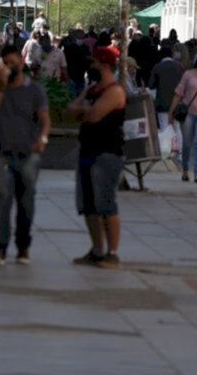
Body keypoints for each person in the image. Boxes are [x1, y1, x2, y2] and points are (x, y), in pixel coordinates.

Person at [0, 44, 51, 266]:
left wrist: (42, 139)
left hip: (28, 153)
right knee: (1, 201)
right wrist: (1, 87)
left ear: (22, 64)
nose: (10, 68)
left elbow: (45, 119)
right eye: (6, 64)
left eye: (14, 63)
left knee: (26, 202)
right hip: (1, 153)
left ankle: (23, 247)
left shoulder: (35, 89)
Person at [68, 46, 128, 268]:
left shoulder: (114, 91)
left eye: (93, 62)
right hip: (87, 151)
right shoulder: (93, 89)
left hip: (107, 154)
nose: (90, 66)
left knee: (106, 203)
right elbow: (70, 109)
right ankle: (96, 250)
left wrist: (82, 110)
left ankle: (112, 253)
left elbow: (93, 116)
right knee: (88, 205)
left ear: (103, 64)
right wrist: (84, 109)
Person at [170, 51, 197, 182]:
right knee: (187, 144)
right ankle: (185, 169)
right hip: (188, 113)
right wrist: (171, 113)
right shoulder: (188, 74)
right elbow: (178, 94)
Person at [149, 45, 184, 130]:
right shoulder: (179, 66)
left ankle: (167, 143)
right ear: (171, 55)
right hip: (176, 102)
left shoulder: (157, 67)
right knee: (176, 128)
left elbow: (151, 85)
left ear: (160, 55)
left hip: (162, 102)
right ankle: (178, 143)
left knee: (164, 127)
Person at [63, 29, 92, 98]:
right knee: (72, 97)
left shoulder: (85, 48)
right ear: (75, 37)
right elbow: (64, 62)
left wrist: (89, 74)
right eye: (79, 38)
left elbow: (88, 61)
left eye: (82, 38)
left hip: (81, 76)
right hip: (71, 76)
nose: (80, 39)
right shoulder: (68, 48)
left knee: (80, 98)